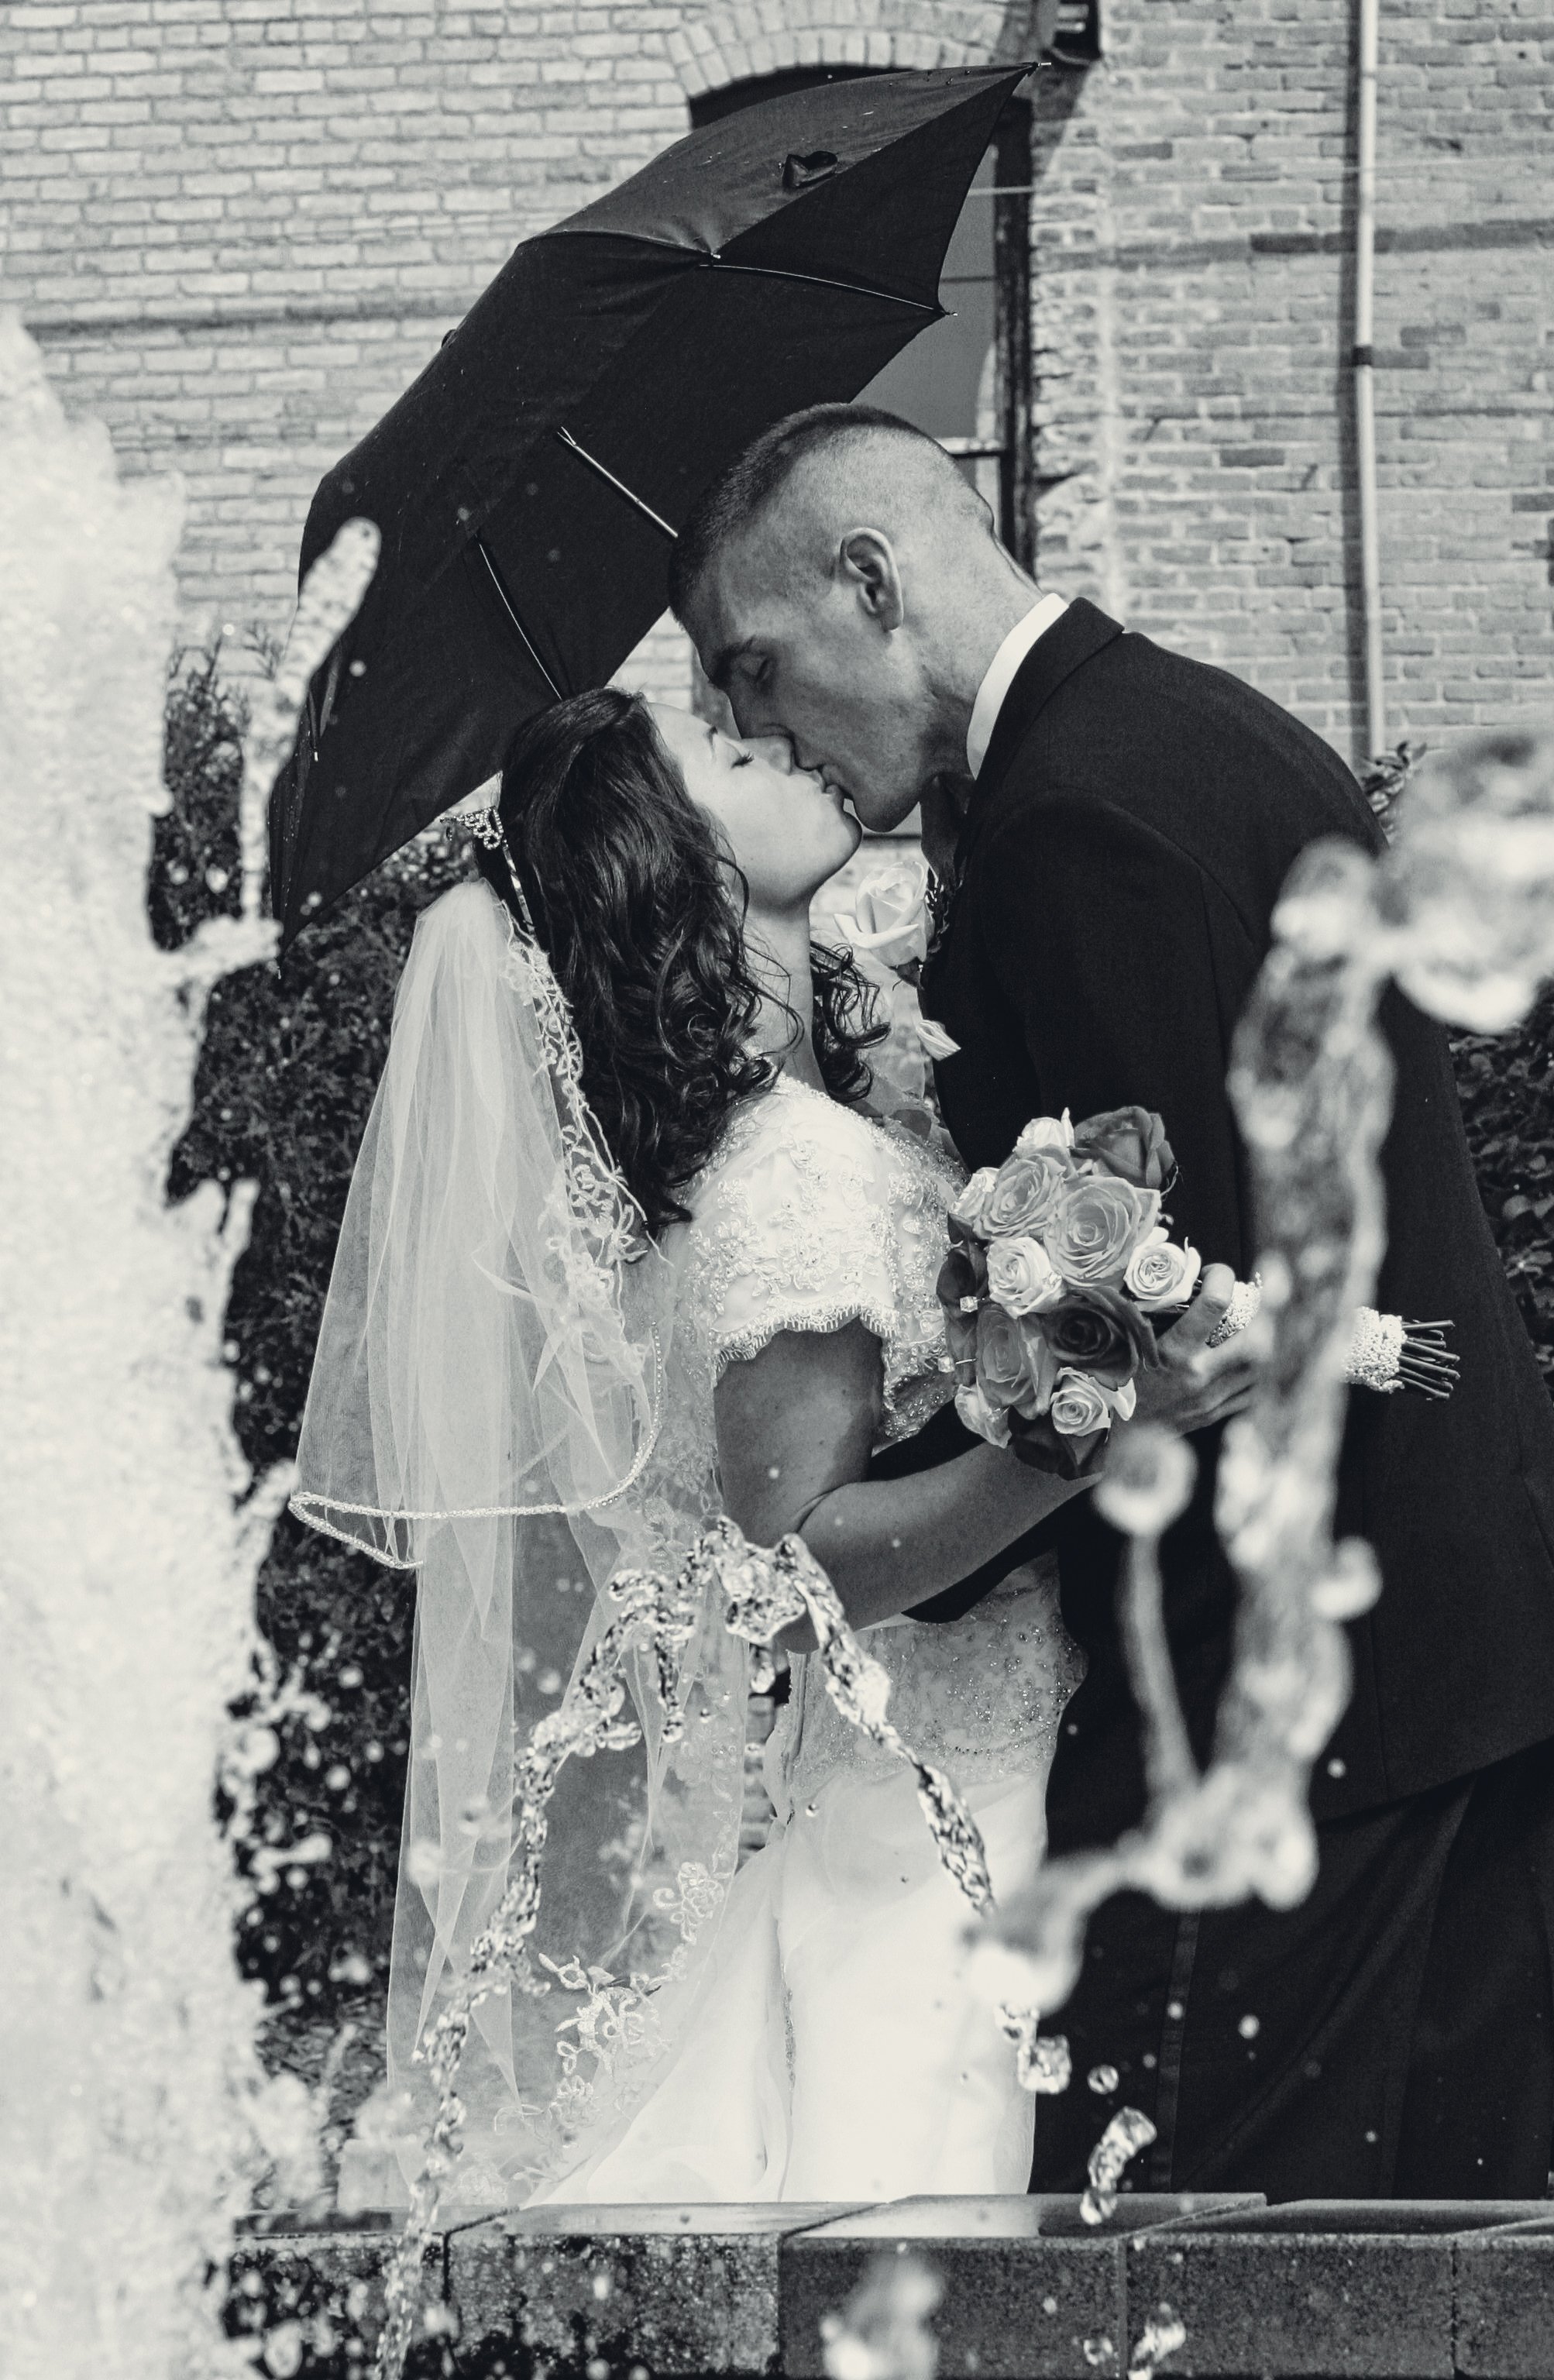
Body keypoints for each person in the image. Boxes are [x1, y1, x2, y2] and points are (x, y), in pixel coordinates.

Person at [669, 401, 1554, 2201]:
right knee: (1442, 2271)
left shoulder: (1073, 821)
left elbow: (1190, 1322)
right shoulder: (1203, 726)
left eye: (756, 668)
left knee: (1175, 2270)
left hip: (1295, 1706)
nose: (753, 724)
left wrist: (959, 1450)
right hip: (1455, 1630)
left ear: (871, 582)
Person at [293, 686, 1249, 2207]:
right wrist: (1091, 1430)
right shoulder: (788, 1176)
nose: (780, 745)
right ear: (672, 863)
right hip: (926, 1807)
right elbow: (800, 1559)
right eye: (727, 757)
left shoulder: (816, 1114)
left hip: (943, 1780)